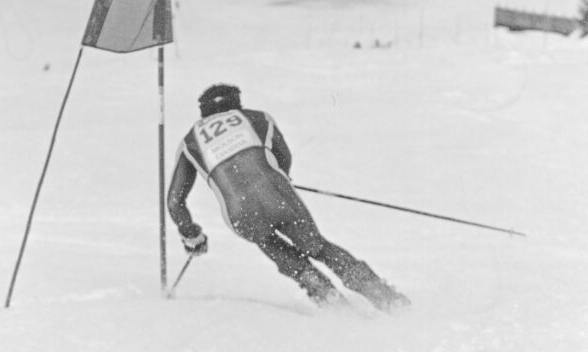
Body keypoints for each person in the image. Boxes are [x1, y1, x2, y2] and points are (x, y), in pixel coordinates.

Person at [167, 83, 409, 311]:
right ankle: (386, 299)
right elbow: (283, 156)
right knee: (319, 247)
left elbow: (174, 202)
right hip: (279, 197)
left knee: (276, 248)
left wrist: (192, 235)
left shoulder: (190, 142)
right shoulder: (257, 118)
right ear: (237, 104)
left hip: (240, 214)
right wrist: (281, 180)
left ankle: (332, 304)